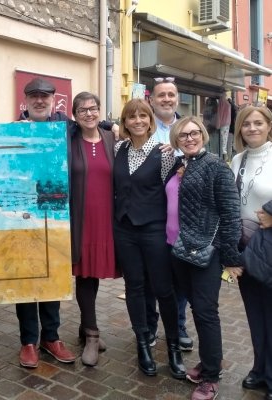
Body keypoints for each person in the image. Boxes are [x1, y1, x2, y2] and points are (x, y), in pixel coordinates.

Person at [168, 116, 241, 400]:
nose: (189, 138)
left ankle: (211, 377)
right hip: (183, 250)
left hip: (207, 253)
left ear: (203, 135)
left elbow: (231, 215)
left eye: (194, 133)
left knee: (206, 312)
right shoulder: (183, 165)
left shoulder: (216, 167)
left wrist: (231, 258)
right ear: (177, 140)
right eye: (183, 135)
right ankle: (210, 361)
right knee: (197, 310)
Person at [113, 98, 185, 379]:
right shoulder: (118, 148)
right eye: (132, 117)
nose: (138, 121)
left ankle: (174, 349)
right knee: (135, 287)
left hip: (154, 228)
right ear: (126, 122)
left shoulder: (164, 152)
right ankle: (143, 343)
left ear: (150, 120)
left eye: (143, 115)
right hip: (124, 228)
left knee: (163, 289)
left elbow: (175, 184)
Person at [12, 77, 77, 369]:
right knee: (25, 277)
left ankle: (51, 336)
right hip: (23, 212)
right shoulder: (13, 129)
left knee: (52, 274)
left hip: (55, 210)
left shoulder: (66, 126)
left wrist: (111, 127)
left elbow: (95, 125)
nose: (40, 100)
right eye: (34, 96)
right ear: (25, 100)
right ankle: (28, 340)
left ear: (53, 100)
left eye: (45, 96)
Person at [69, 92, 119, 366]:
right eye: (82, 110)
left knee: (94, 274)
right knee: (84, 275)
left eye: (93, 108)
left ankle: (83, 326)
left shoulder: (112, 139)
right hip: (79, 218)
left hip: (106, 219)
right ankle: (91, 335)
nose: (89, 113)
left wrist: (112, 125)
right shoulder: (68, 138)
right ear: (75, 115)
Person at [228, 106, 272, 400]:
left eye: (259, 123)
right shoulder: (237, 159)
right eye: (247, 124)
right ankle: (259, 368)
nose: (252, 128)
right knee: (255, 314)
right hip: (246, 247)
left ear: (269, 126)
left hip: (269, 247)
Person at [147, 76, 193, 352]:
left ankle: (178, 326)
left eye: (171, 95)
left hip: (181, 217)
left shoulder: (188, 129)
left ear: (177, 99)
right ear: (152, 99)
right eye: (161, 95)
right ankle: (150, 326)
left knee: (179, 278)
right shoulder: (143, 125)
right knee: (153, 276)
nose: (166, 99)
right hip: (152, 215)